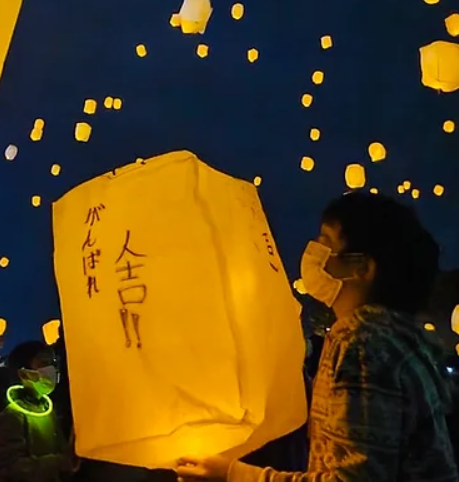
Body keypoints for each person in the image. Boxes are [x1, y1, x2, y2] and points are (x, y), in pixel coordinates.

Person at [176, 191, 459, 482]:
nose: (311, 255)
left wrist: (234, 475)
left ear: (362, 268)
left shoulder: (362, 344)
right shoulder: (397, 337)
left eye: (325, 244)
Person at [0, 341, 76, 482]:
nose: (51, 369)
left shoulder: (47, 410)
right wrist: (58, 463)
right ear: (24, 373)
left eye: (52, 363)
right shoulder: (12, 416)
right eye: (43, 363)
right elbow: (8, 468)